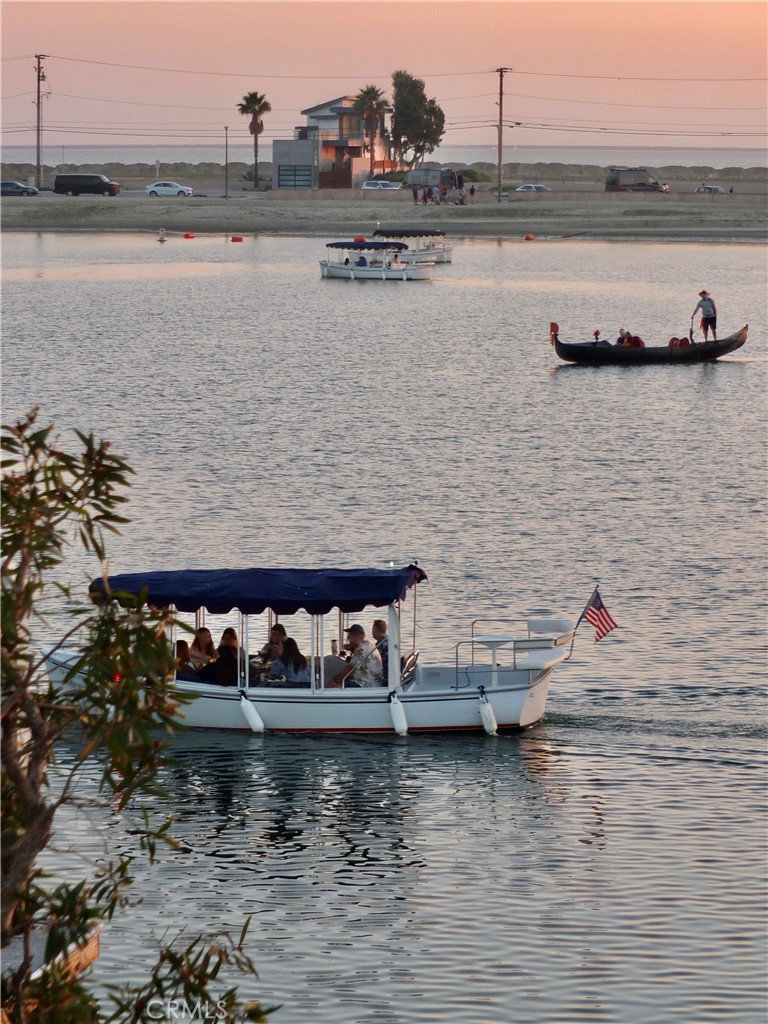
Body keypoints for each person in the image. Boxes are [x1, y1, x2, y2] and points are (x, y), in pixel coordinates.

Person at [329, 624, 383, 688]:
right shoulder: (367, 645)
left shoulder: (362, 649)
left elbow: (349, 668)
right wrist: (352, 648)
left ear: (359, 636)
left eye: (350, 635)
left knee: (335, 687)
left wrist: (335, 680)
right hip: (373, 681)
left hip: (367, 684)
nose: (348, 638)